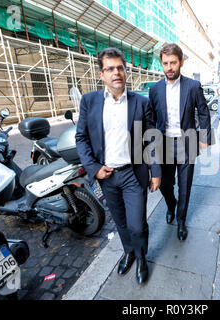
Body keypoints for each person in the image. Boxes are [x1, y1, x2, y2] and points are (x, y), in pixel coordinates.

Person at [75, 48, 161, 285]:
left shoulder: (140, 103)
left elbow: (152, 138)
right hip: (107, 176)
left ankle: (142, 257)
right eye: (110, 69)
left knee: (136, 223)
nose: (116, 73)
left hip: (133, 174)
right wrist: (93, 168)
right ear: (101, 74)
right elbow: (81, 138)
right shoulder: (89, 101)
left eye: (120, 68)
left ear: (125, 71)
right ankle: (129, 252)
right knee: (120, 222)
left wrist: (156, 172)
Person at [149, 43, 212, 241]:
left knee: (185, 185)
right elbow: (151, 119)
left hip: (187, 142)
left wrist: (205, 137)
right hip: (164, 144)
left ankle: (181, 220)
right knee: (166, 185)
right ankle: (171, 205)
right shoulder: (155, 89)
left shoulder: (192, 86)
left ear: (181, 62)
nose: (169, 67)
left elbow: (203, 111)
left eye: (173, 63)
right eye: (165, 63)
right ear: (162, 64)